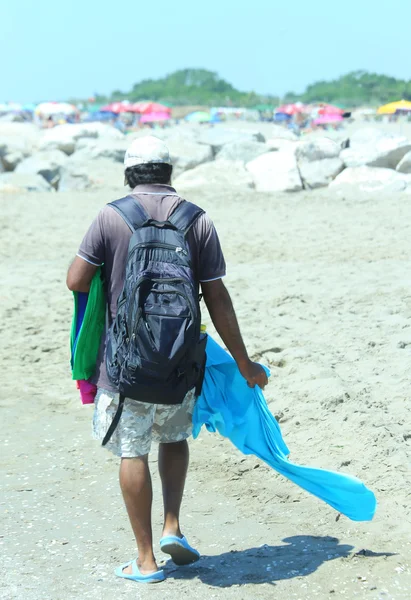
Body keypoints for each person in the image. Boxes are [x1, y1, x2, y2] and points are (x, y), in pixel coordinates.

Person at [66, 135, 268, 584]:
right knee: (174, 439)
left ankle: (145, 561)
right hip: (180, 360)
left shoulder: (111, 216)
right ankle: (172, 527)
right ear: (168, 172)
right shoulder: (196, 219)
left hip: (124, 363)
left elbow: (76, 280)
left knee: (131, 449)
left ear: (129, 173)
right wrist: (243, 362)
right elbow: (217, 296)